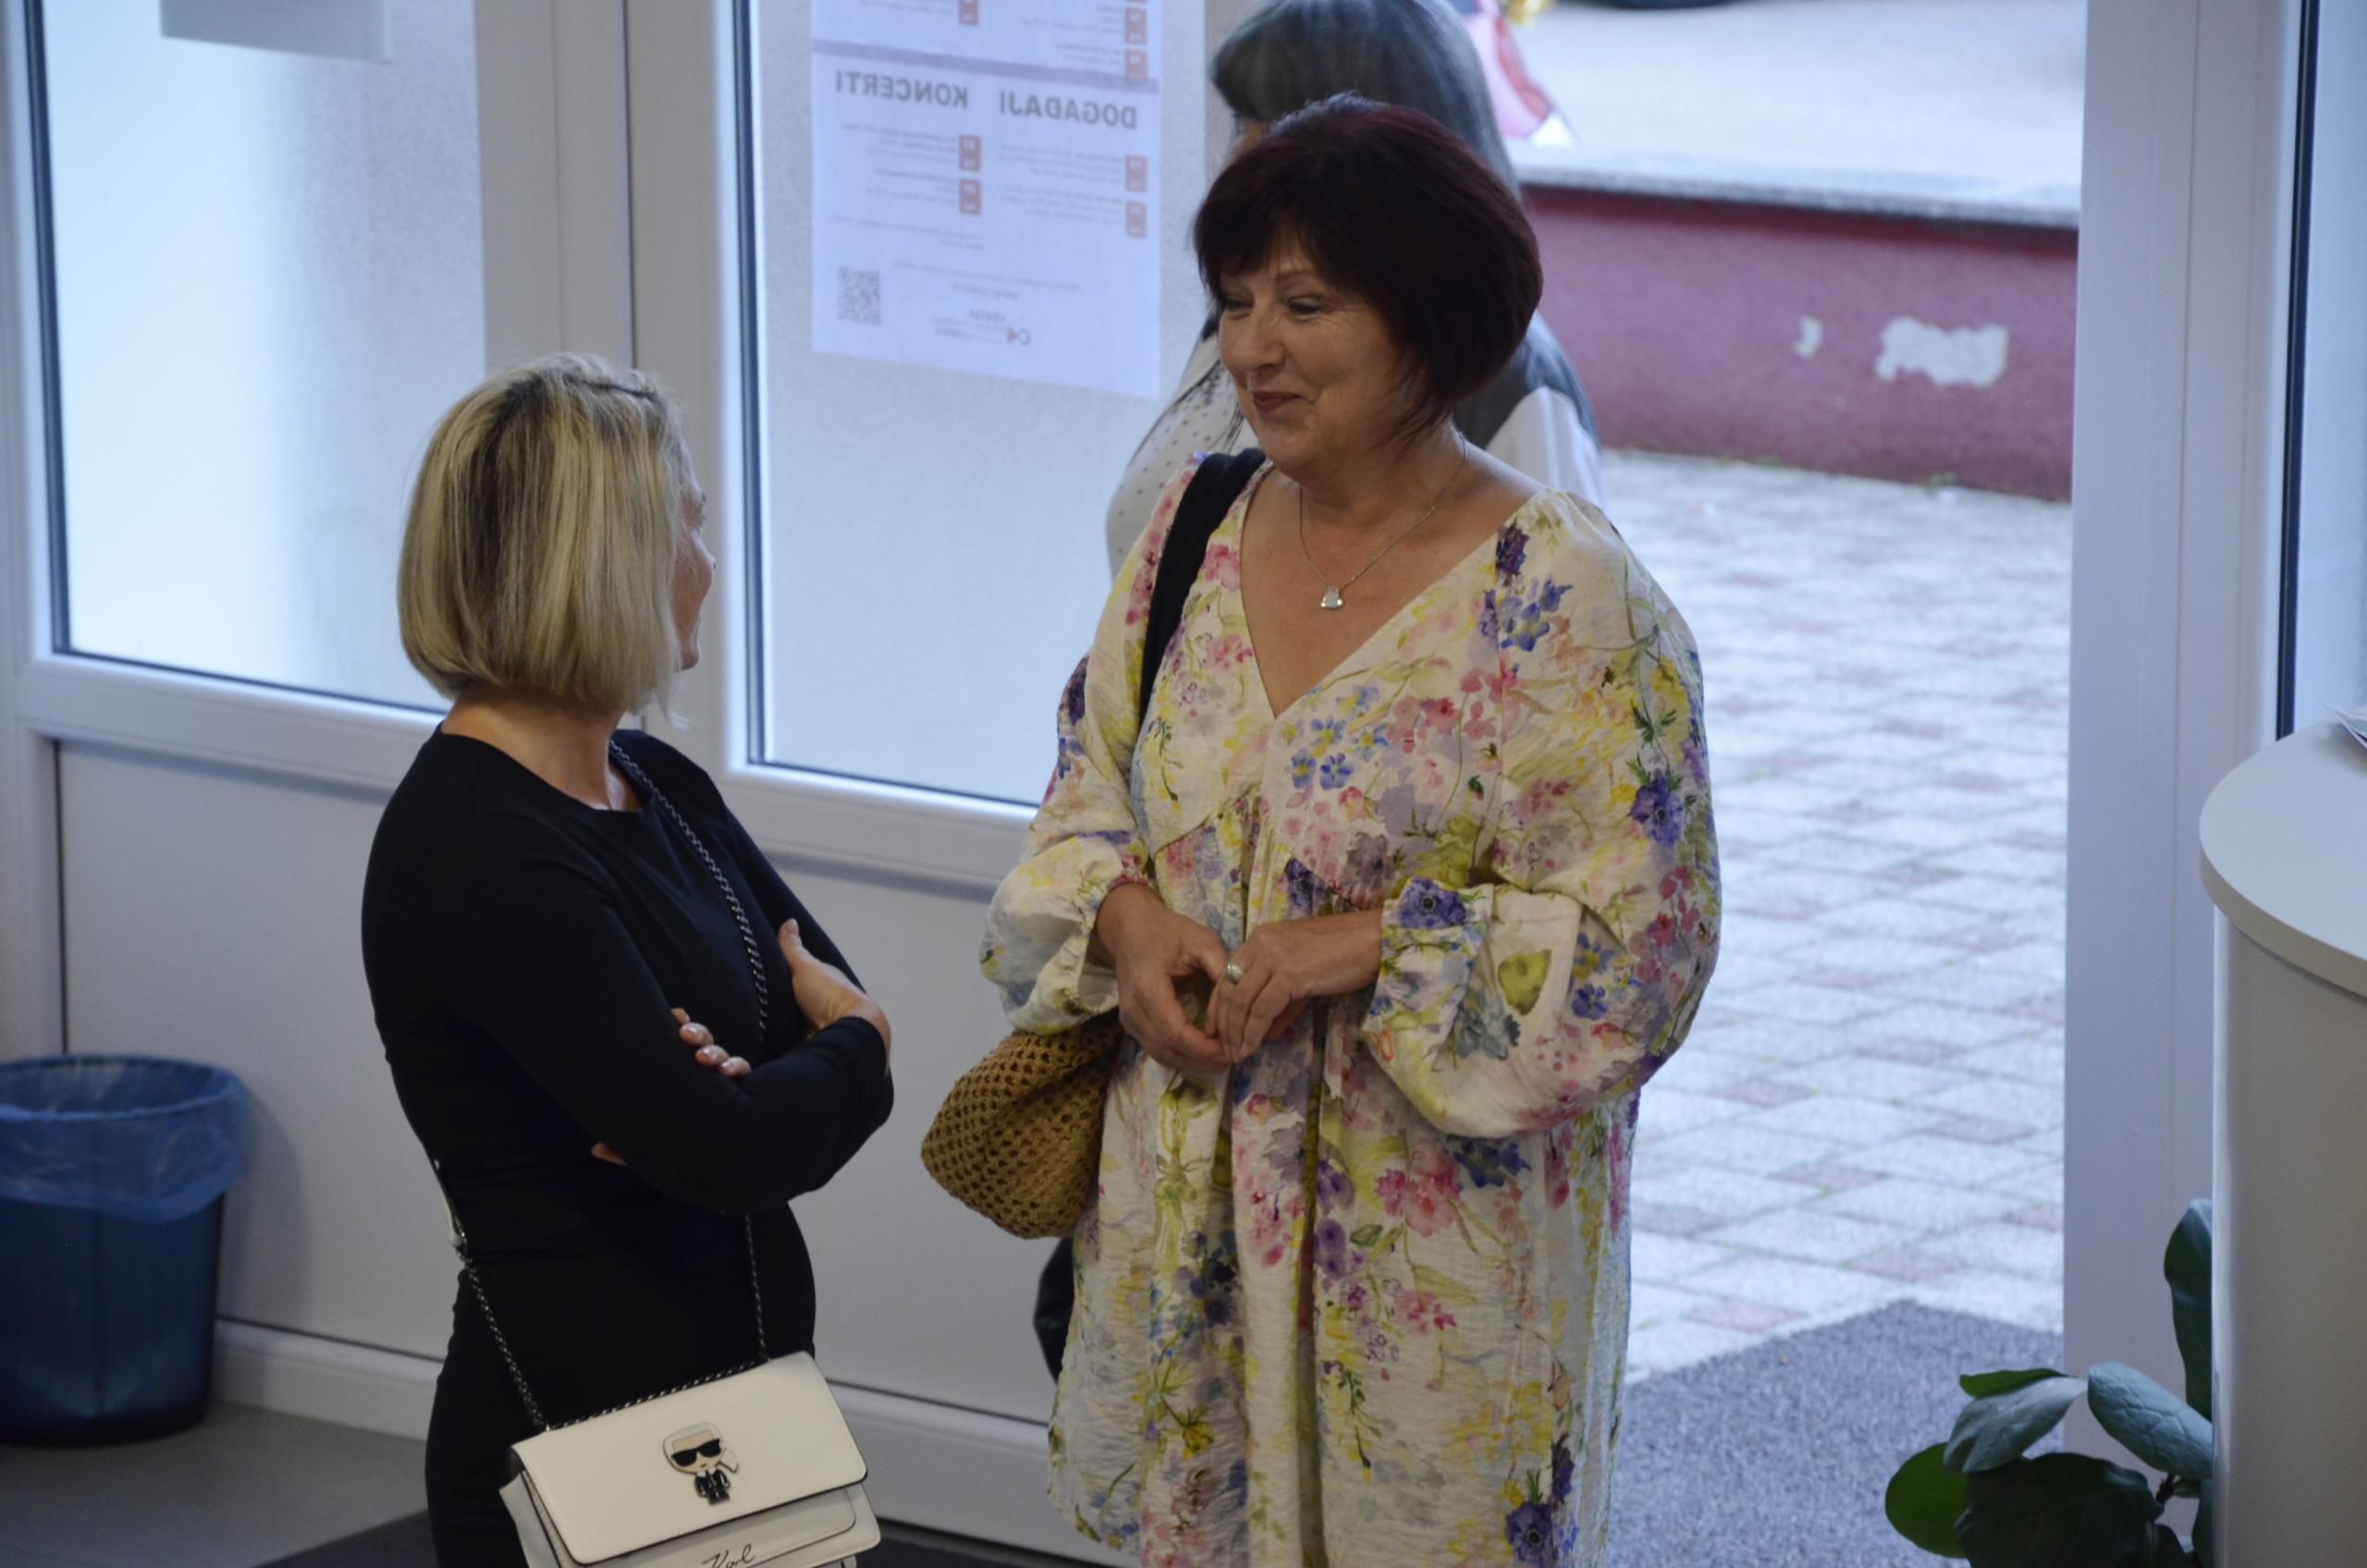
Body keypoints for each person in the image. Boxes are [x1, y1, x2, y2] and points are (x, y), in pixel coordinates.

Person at [985, 97, 1719, 1566]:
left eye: (1306, 306)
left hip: (1434, 1264)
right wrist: (1129, 922)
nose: (1253, 348)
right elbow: (1082, 797)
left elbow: (1646, 947)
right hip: (1184, 1224)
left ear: (1428, 322)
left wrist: (1374, 945)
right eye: (1236, 302)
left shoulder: (1562, 591)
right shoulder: (1188, 535)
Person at [361, 355, 895, 1565]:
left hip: (743, 1420)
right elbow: (733, 1140)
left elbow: (782, 1062)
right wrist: (844, 1046)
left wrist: (756, 1080)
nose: (706, 564)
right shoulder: (480, 847)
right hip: (574, 1449)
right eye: (686, 525)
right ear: (603, 560)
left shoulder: (653, 781)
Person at [1100, 0, 1606, 578]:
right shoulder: (1245, 316)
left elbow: (1557, 579)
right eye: (1240, 123)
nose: (1241, 155)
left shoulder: (1511, 378)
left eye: (1279, 127)